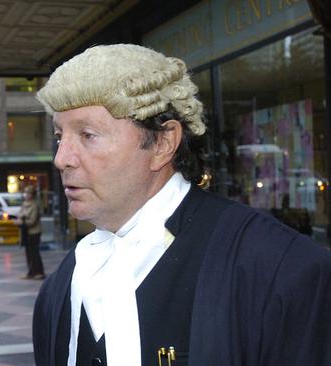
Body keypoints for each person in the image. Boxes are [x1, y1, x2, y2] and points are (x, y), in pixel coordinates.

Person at [32, 44, 331, 366]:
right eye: (60, 136)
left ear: (163, 143)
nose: (61, 159)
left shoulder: (280, 267)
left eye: (88, 134)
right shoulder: (65, 280)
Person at [14, 185, 45, 280]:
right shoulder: (24, 204)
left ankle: (39, 272)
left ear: (32, 195)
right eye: (25, 193)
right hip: (25, 232)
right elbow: (19, 214)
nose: (26, 195)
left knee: (34, 253)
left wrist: (21, 221)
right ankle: (31, 272)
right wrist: (20, 219)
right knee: (28, 253)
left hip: (33, 233)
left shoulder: (34, 205)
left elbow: (32, 221)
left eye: (28, 193)